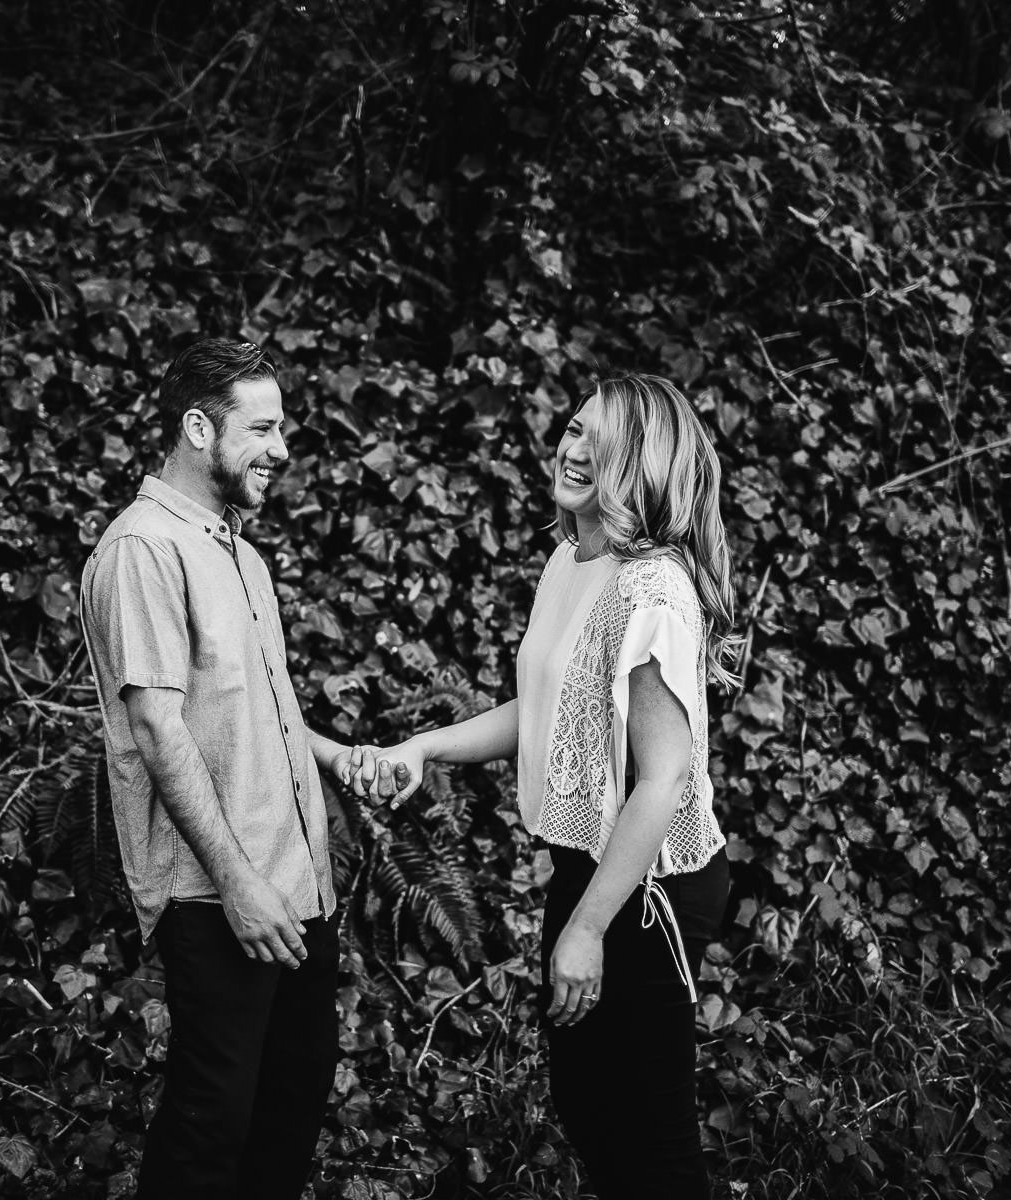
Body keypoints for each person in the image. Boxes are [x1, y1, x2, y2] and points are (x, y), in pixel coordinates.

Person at [347, 375, 741, 1199]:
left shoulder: (652, 589)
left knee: (652, 1133)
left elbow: (663, 779)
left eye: (598, 439)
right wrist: (425, 747)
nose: (572, 448)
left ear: (640, 462)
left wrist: (588, 929)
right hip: (589, 867)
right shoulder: (572, 561)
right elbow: (549, 710)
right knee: (587, 1101)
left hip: (652, 885)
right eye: (571, 428)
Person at [78, 337, 354, 1200]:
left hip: (297, 888)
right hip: (218, 895)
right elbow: (158, 730)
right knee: (213, 1123)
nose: (282, 449)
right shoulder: (143, 550)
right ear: (198, 429)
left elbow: (258, 712)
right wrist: (238, 885)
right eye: (261, 429)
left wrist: (342, 758)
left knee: (290, 1102)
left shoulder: (239, 551)